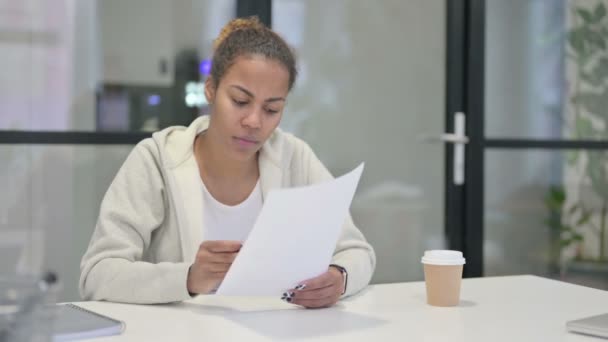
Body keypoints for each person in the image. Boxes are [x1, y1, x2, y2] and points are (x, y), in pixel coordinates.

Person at [79, 16, 375, 308]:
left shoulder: (295, 158)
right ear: (210, 89)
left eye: (272, 109)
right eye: (240, 101)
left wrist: (339, 278)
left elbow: (357, 252)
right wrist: (188, 278)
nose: (254, 121)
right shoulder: (157, 160)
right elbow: (97, 275)